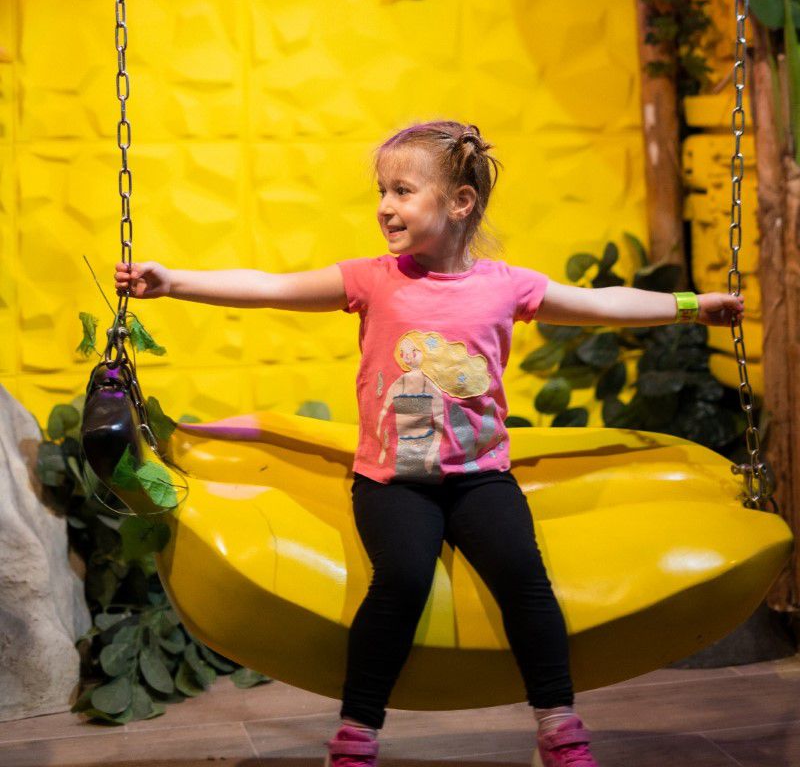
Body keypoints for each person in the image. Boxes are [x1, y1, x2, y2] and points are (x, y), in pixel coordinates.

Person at [114, 119, 744, 767]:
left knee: (527, 583)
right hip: (393, 481)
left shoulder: (506, 286)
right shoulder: (372, 280)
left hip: (479, 478)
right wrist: (174, 281)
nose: (386, 206)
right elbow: (273, 288)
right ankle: (358, 733)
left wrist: (694, 306)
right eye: (382, 192)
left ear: (460, 203)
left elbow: (604, 305)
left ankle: (558, 724)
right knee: (402, 580)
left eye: (403, 191)